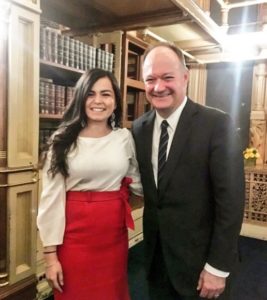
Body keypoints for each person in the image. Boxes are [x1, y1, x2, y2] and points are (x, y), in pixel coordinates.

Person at [132, 42, 245, 300]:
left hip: (202, 269)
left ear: (185, 77)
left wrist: (217, 267)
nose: (158, 87)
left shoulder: (216, 124)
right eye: (150, 79)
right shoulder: (139, 128)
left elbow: (231, 202)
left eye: (167, 77)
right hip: (156, 262)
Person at [37, 68, 142, 300]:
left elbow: (137, 182)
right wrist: (50, 257)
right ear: (81, 98)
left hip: (113, 236)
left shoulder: (124, 138)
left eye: (106, 94)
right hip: (73, 238)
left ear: (115, 101)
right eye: (90, 94)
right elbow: (51, 200)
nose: (98, 101)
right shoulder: (62, 140)